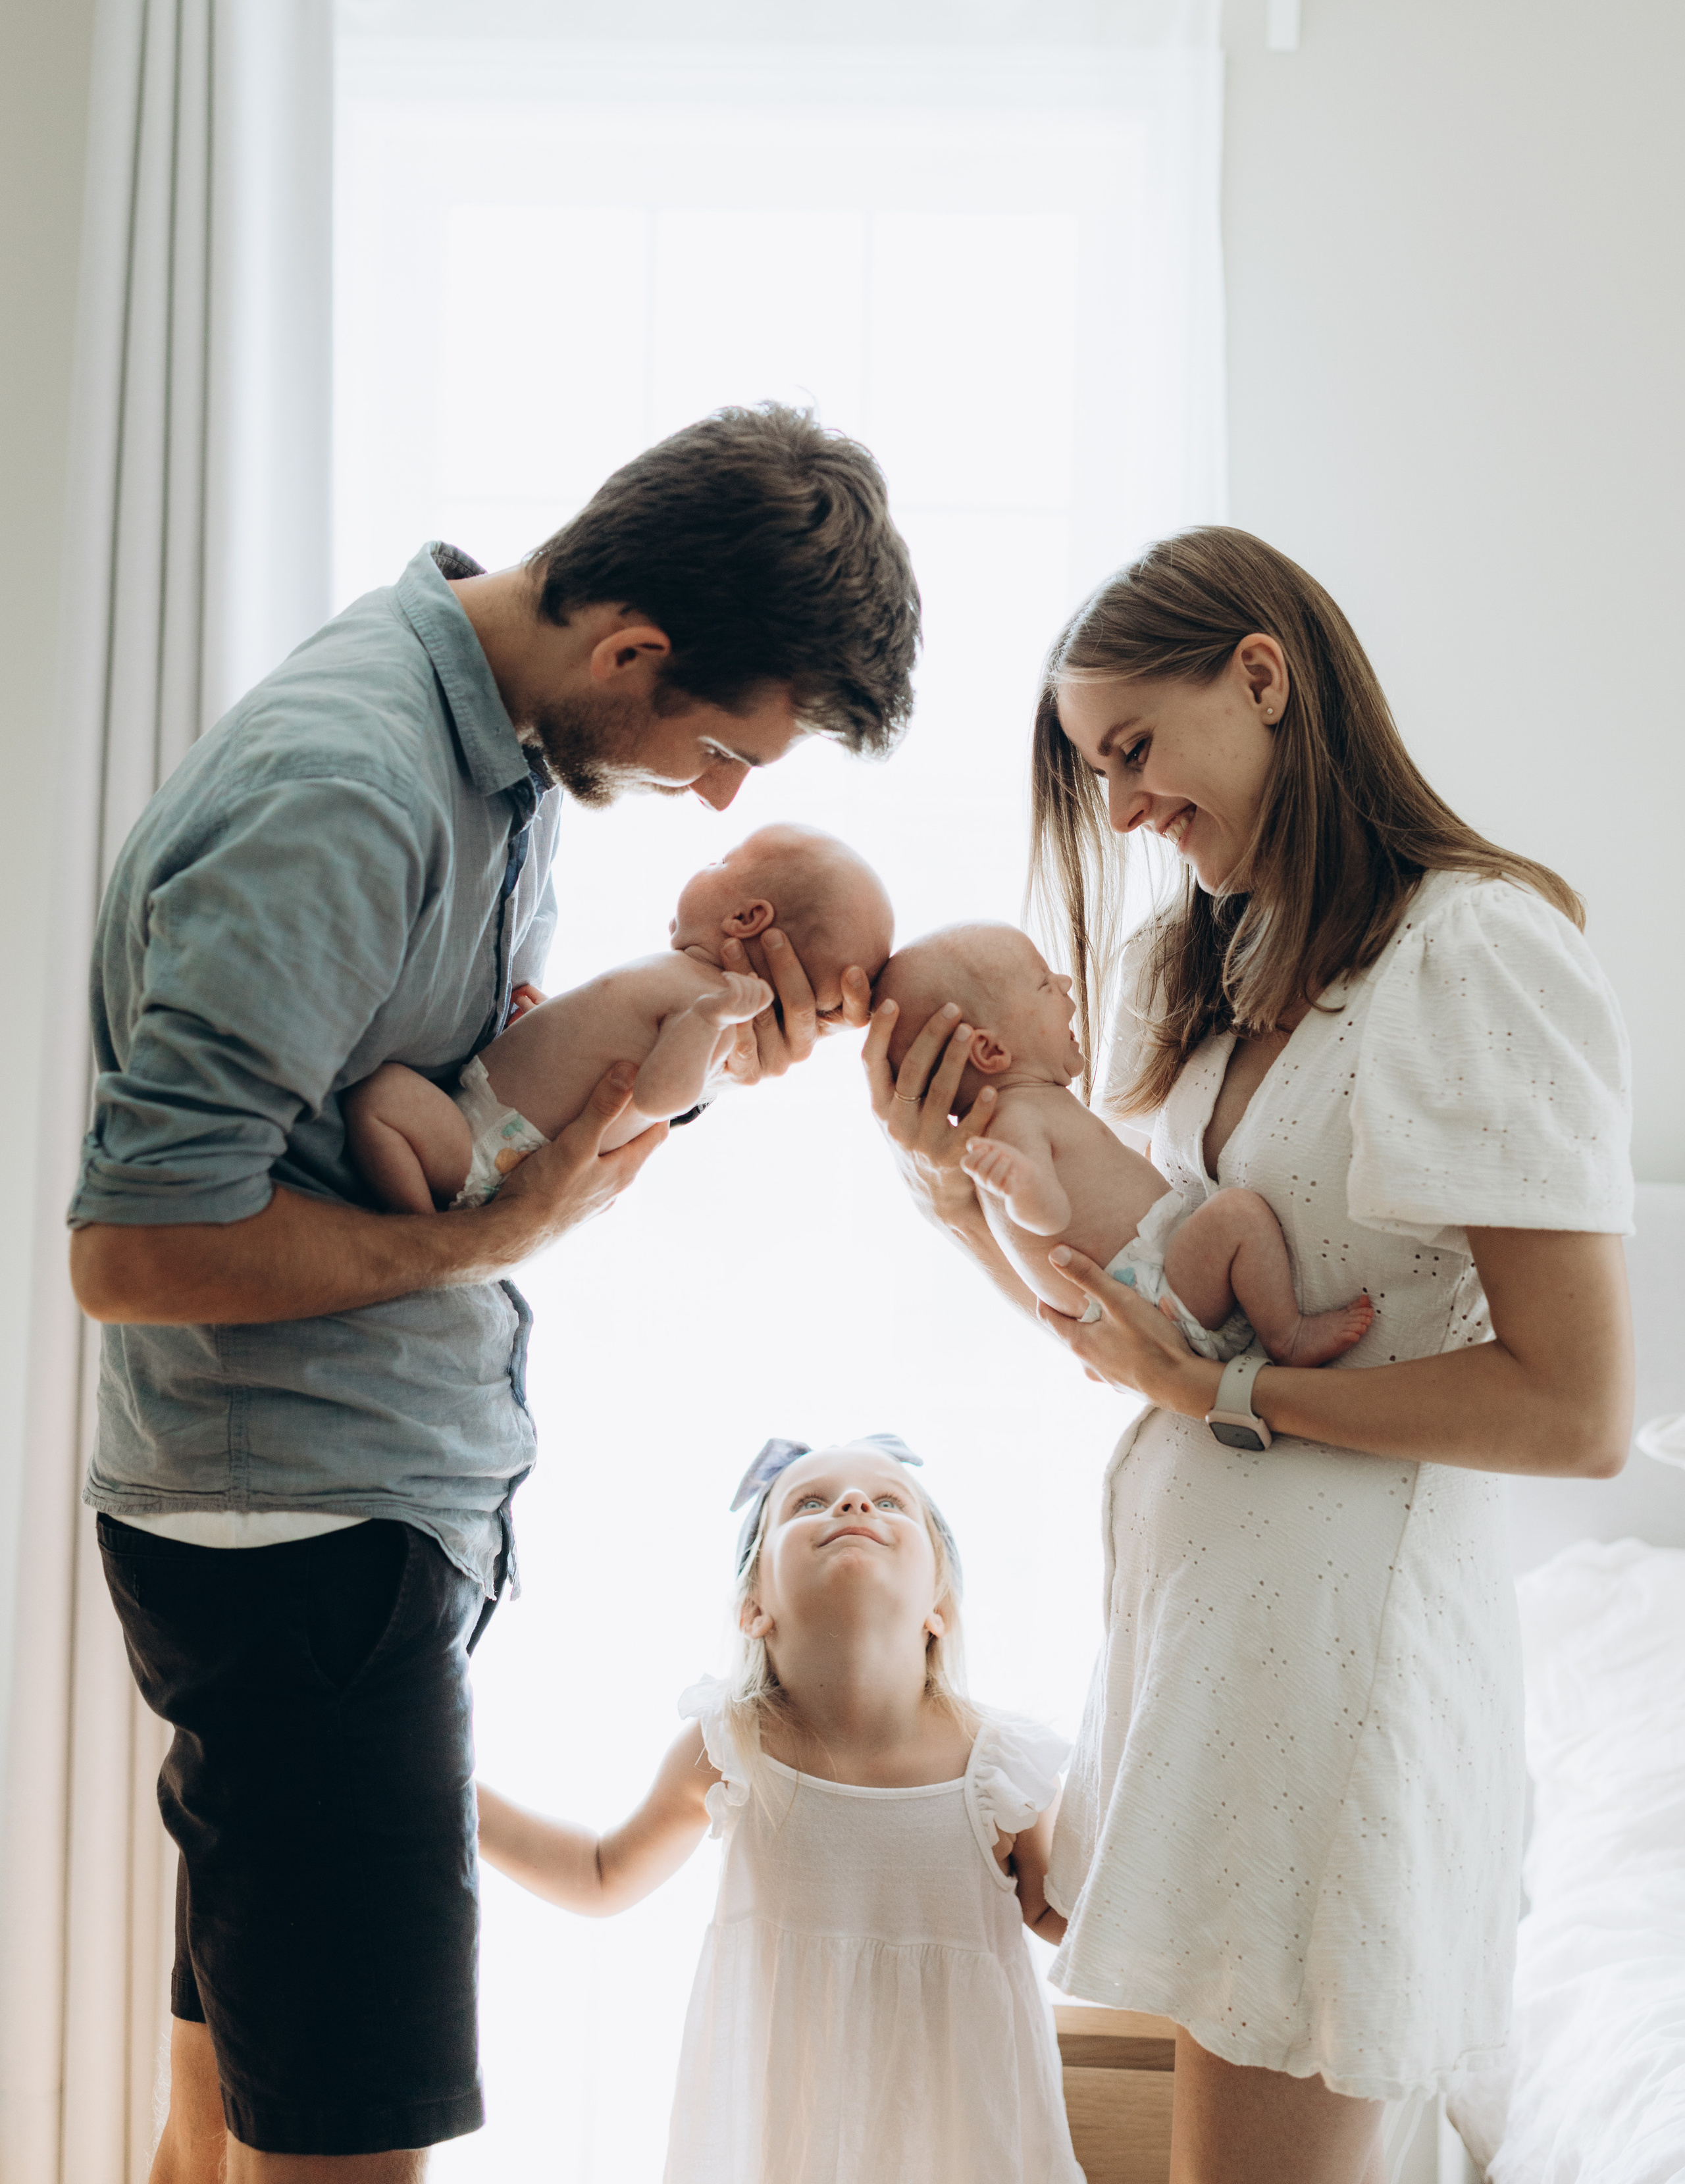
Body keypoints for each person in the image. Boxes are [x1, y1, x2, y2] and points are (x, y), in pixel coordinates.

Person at [68, 403, 921, 2184]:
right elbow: (135, 1251)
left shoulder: (488, 757)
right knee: (346, 2154)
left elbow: (397, 1110)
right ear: (633, 649)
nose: (717, 799)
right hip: (301, 1551)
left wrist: (600, 1100)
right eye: (718, 748)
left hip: (306, 1526)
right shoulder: (356, 786)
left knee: (216, 2127)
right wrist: (489, 1236)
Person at [864, 526, 1634, 2184]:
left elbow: (1574, 1411)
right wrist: (947, 1187)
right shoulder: (1232, 983)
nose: (1124, 808)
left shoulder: (1470, 949)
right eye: (1095, 772)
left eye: (1133, 748)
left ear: (1263, 678)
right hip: (1226, 1677)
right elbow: (1136, 1334)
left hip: (1340, 1688)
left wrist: (1227, 1392)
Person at [477, 1437, 1083, 2184]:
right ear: (752, 1608)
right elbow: (599, 1874)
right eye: (809, 1503)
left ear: (941, 1609)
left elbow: (1067, 1919)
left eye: (889, 1501)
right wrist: (443, 1793)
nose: (854, 1504)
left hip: (958, 2132)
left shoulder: (1000, 1766)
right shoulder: (731, 1746)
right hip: (784, 2134)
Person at [877, 920, 1372, 1365]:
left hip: (1154, 1289)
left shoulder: (1038, 1105)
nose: (1067, 986)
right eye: (1046, 984)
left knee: (1230, 1219)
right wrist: (1019, 1184)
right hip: (1152, 1295)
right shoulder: (1012, 1123)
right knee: (1238, 1214)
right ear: (990, 1049)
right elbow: (1047, 1216)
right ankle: (1287, 1334)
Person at [346, 826, 893, 1212]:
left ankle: (421, 1226)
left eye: (722, 860)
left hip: (482, 1150)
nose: (708, 863)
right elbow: (607, 1055)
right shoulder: (694, 985)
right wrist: (554, 1029)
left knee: (377, 1098)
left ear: (747, 918)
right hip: (496, 1129)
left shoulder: (719, 1012)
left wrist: (707, 1020)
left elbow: (660, 1098)